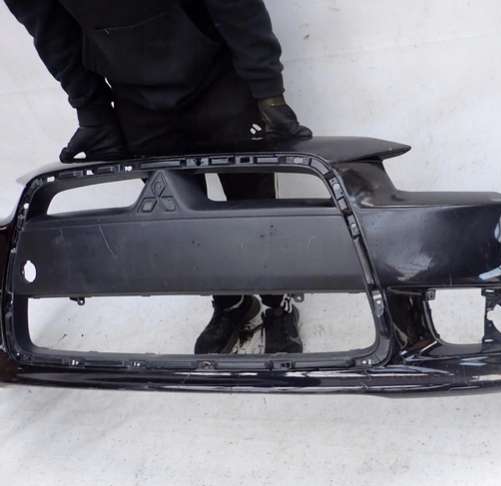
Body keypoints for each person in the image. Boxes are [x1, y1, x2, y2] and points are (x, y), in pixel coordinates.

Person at [4, 0, 311, 355]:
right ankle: (232, 302)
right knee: (178, 217)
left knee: (254, 206)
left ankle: (277, 302)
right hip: (136, 96)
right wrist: (92, 112)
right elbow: (51, 30)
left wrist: (268, 91)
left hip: (218, 74)